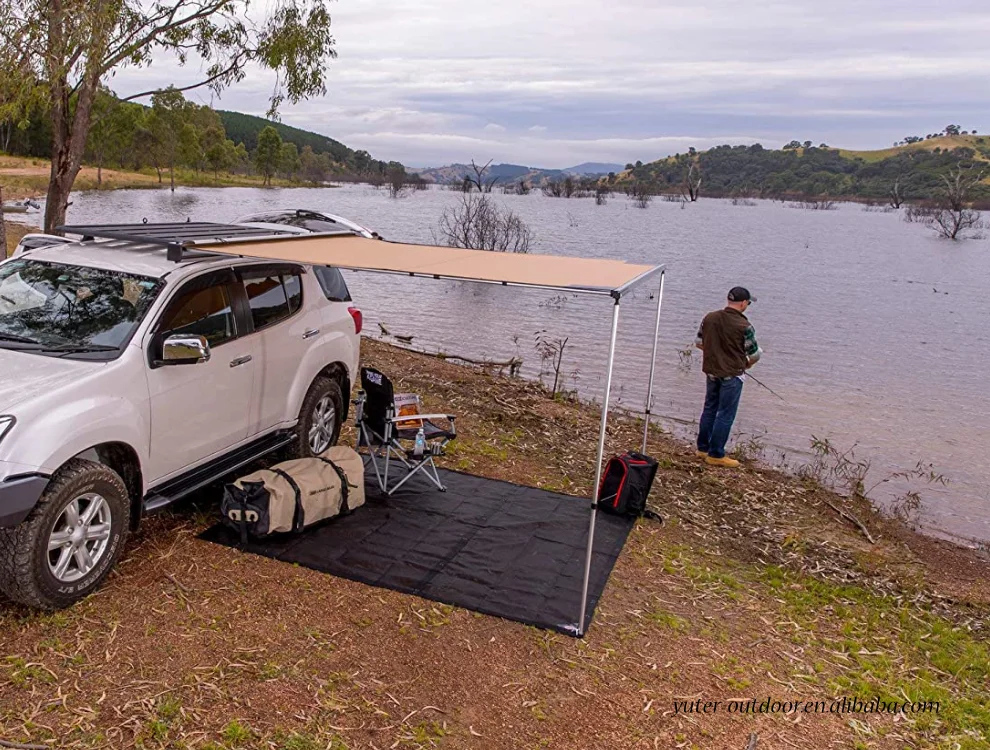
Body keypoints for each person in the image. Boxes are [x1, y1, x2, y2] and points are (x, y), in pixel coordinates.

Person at [694, 286, 762, 468]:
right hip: (732, 375)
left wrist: (716, 353)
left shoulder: (709, 318)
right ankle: (716, 454)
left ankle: (702, 449)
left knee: (710, 408)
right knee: (725, 414)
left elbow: (699, 343)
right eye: (748, 303)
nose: (747, 305)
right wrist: (747, 364)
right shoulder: (744, 326)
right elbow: (755, 354)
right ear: (743, 303)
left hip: (711, 371)